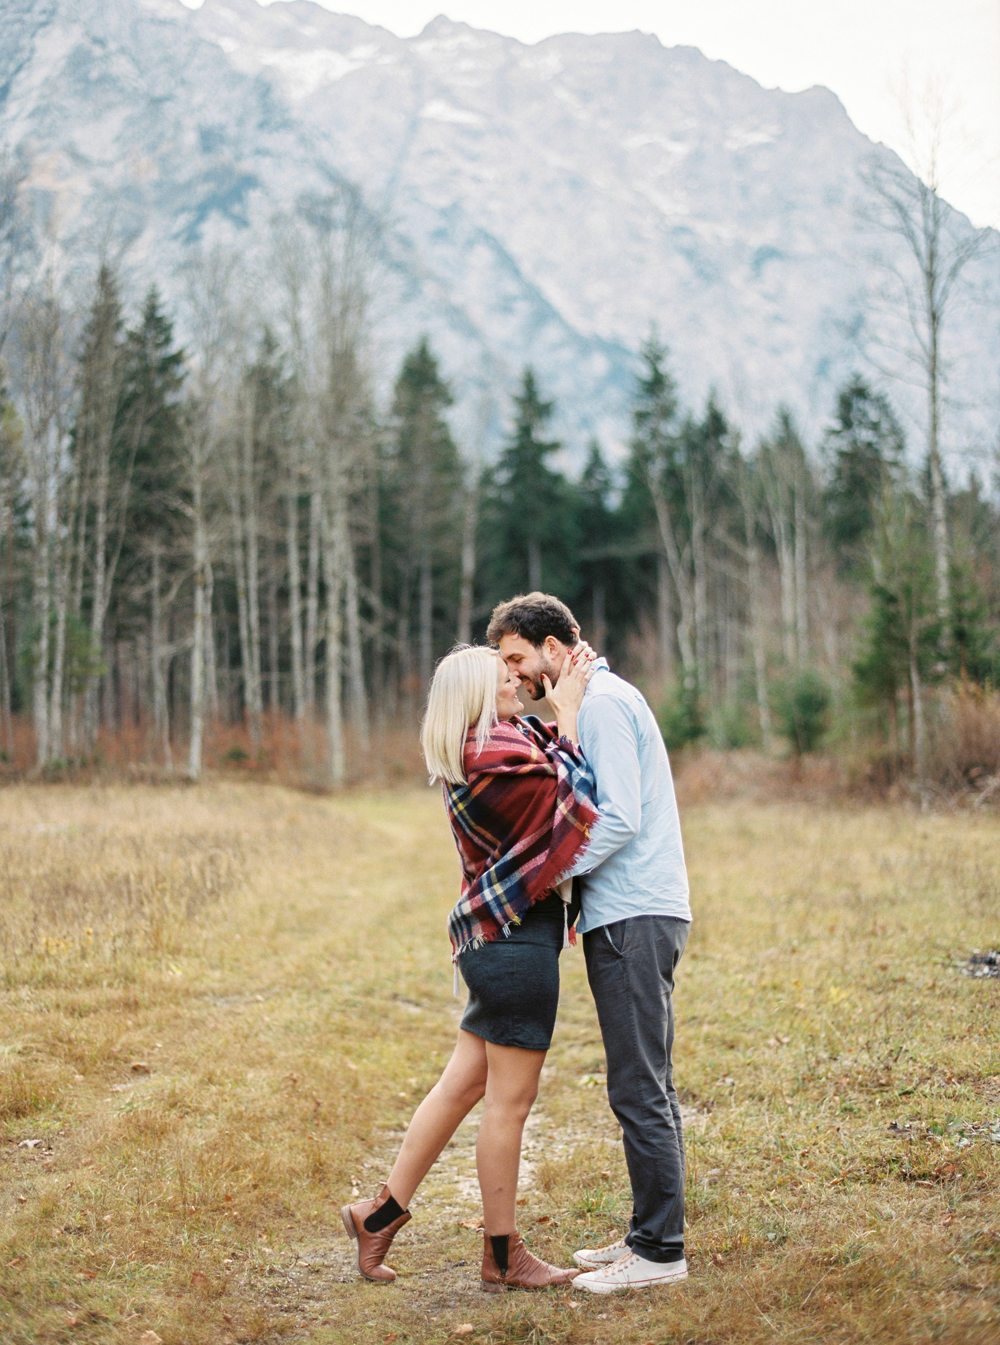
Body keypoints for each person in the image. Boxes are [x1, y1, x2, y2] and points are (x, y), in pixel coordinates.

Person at [341, 643, 598, 1291]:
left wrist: (557, 711)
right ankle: (503, 1255)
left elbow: (549, 766)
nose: (514, 681)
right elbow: (573, 796)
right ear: (478, 695)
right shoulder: (494, 759)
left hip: (494, 942)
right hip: (515, 944)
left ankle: (379, 1215)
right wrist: (568, 717)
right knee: (510, 1104)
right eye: (502, 676)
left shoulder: (489, 748)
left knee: (461, 1087)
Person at [488, 592, 692, 1295]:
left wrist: (548, 876)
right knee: (645, 1080)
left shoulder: (601, 704)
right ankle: (646, 1234)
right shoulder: (600, 698)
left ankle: (660, 1252)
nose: (514, 675)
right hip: (630, 911)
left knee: (639, 1086)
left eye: (518, 658)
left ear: (553, 647)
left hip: (635, 913)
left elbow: (618, 817)